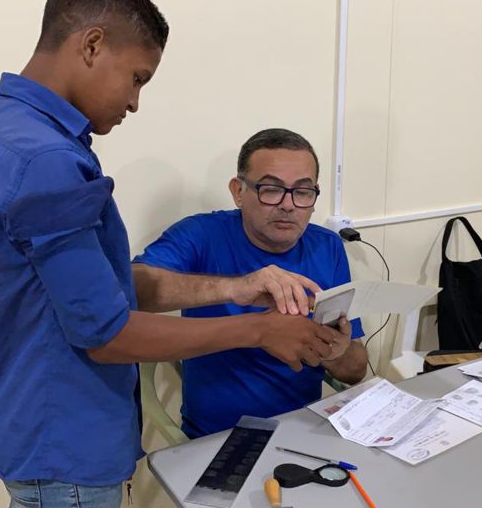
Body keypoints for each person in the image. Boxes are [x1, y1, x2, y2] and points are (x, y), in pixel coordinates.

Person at [0, 0, 340, 508]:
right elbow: (108, 333)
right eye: (137, 77)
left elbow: (106, 285)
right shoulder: (45, 160)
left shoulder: (8, 132)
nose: (135, 102)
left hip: (46, 431)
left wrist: (237, 287)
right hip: (65, 442)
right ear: (92, 45)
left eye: (304, 191)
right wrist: (258, 328)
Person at [133, 128, 368, 438]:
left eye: (302, 191)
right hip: (218, 437)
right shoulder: (201, 235)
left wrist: (336, 353)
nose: (288, 205)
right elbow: (131, 288)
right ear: (239, 191)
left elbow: (356, 371)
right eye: (271, 189)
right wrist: (237, 287)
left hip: (305, 431)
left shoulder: (327, 247)